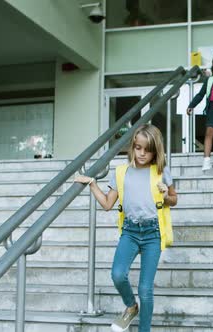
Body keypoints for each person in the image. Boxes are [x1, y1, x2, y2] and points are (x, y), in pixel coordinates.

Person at [75, 124, 177, 332]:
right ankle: (131, 307)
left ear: (155, 150)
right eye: (138, 148)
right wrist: (93, 184)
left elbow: (174, 199)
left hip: (153, 233)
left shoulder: (161, 170)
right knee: (118, 274)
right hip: (130, 231)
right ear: (133, 146)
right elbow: (106, 204)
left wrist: (166, 194)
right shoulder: (121, 172)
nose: (142, 153)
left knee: (145, 288)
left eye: (147, 150)